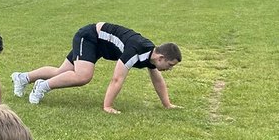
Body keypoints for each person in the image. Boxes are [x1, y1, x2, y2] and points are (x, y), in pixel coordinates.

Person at [12, 22, 182, 114]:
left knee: (61, 72)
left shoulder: (150, 56)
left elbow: (157, 80)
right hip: (90, 37)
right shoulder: (135, 51)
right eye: (170, 65)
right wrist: (107, 106)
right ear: (161, 57)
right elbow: (117, 79)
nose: (169, 69)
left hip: (100, 45)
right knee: (83, 75)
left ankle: (22, 78)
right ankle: (42, 86)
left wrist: (167, 104)